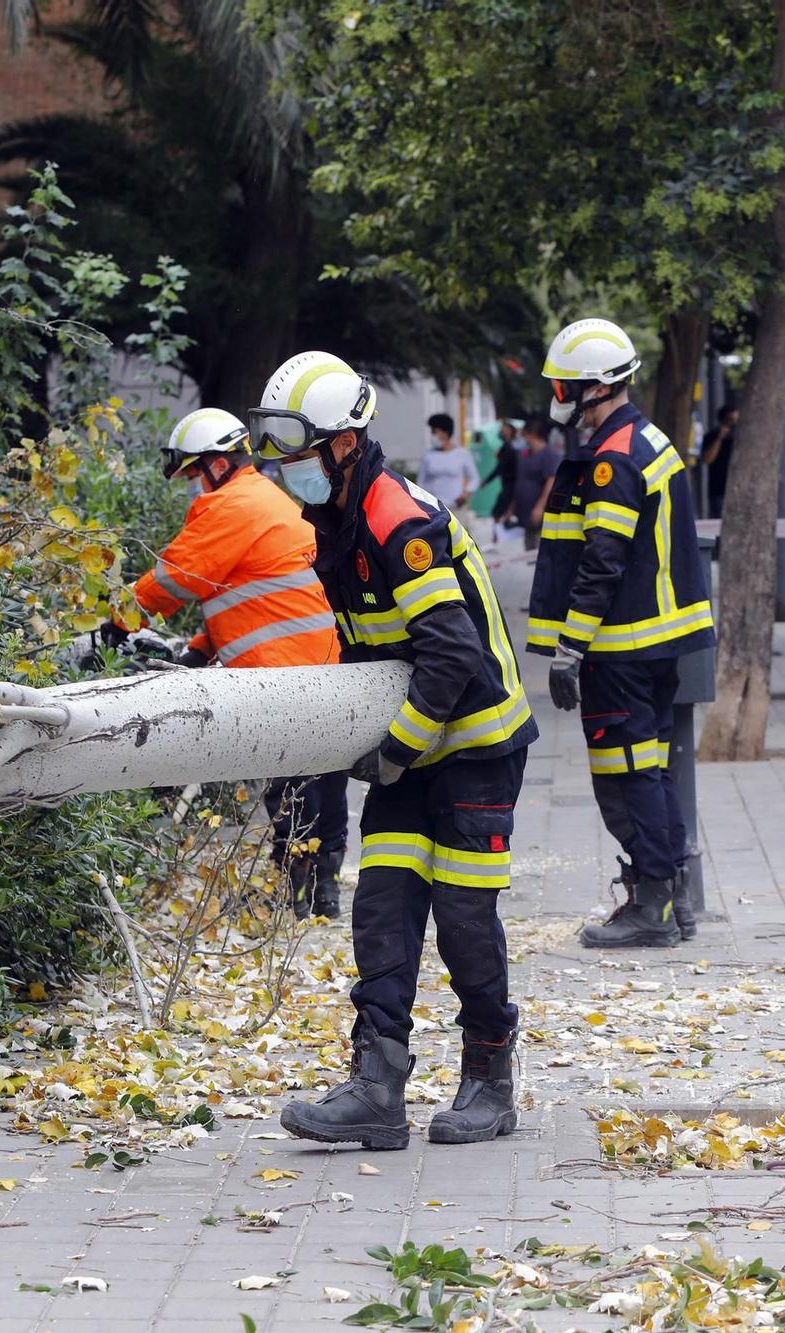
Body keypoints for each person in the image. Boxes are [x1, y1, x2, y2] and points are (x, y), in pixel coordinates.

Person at [253, 351, 537, 1149]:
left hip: (474, 744)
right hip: (413, 749)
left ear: (343, 445)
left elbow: (449, 655)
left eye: (298, 455)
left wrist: (390, 753)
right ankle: (377, 1084)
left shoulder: (393, 518)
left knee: (462, 915)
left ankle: (489, 1075)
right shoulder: (333, 519)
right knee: (382, 904)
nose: (286, 472)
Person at [524, 318, 713, 949]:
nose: (557, 399)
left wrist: (569, 649)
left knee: (626, 780)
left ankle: (651, 908)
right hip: (654, 645)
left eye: (563, 387)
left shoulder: (613, 459)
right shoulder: (645, 439)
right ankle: (672, 900)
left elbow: (601, 562)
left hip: (622, 648)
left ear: (596, 388)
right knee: (649, 773)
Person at [132, 407, 347, 918]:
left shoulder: (231, 505)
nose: (192, 487)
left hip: (285, 670)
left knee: (293, 787)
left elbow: (174, 580)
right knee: (322, 782)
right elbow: (247, 592)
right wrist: (202, 648)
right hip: (324, 661)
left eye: (192, 474)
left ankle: (303, 896)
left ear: (217, 464)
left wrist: (119, 618)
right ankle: (320, 893)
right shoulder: (259, 496)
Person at [504, 416, 562, 549]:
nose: (523, 438)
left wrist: (540, 507)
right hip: (526, 516)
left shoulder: (550, 455)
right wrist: (511, 508)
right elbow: (521, 482)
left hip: (542, 517)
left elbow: (551, 481)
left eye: (525, 434)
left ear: (533, 434)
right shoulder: (526, 455)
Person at [415, 412, 479, 515]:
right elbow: (420, 483)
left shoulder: (462, 454)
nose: (432, 435)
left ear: (446, 432)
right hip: (433, 510)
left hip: (455, 508)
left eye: (434, 431)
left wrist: (465, 495)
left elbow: (474, 479)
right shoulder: (428, 456)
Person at [699, 404, 738, 515]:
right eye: (730, 421)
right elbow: (707, 459)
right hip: (719, 491)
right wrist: (720, 438)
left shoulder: (740, 439)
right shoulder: (711, 437)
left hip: (738, 489)